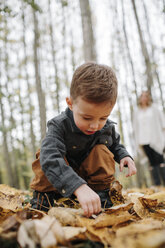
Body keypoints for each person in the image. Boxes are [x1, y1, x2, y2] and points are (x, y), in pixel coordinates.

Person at [30, 62, 137, 217]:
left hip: (91, 186)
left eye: (103, 117)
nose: (95, 125)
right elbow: (50, 159)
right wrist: (78, 187)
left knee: (102, 150)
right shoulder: (58, 126)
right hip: (61, 184)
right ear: (70, 103)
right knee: (45, 155)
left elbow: (115, 144)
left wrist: (124, 156)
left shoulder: (105, 128)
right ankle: (41, 203)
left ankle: (101, 200)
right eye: (87, 117)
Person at [133, 90, 165, 186]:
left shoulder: (154, 109)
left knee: (160, 160)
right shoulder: (137, 112)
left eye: (146, 96)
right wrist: (137, 139)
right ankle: (157, 185)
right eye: (142, 96)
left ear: (148, 98)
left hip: (155, 138)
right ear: (140, 98)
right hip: (143, 139)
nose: (144, 98)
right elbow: (135, 127)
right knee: (152, 162)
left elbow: (162, 122)